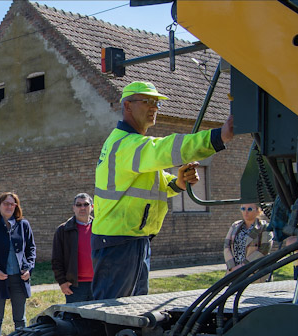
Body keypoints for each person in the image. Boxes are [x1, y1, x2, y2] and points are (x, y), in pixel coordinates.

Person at [92, 81, 234, 300]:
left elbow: (148, 184)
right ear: (127, 106)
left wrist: (177, 183)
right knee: (113, 314)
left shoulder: (128, 145)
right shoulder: (128, 145)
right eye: (147, 101)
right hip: (120, 242)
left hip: (129, 239)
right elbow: (167, 149)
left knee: (130, 310)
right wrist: (218, 136)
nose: (155, 107)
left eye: (157, 102)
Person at [0, 192, 36, 330]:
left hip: (19, 278)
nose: (9, 206)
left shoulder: (24, 225)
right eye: (6, 203)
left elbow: (31, 249)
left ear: (16, 206)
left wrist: (29, 268)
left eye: (12, 204)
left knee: (20, 319)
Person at [52, 193, 94, 303]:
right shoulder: (63, 230)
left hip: (98, 284)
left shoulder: (101, 229)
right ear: (73, 208)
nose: (82, 208)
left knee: (99, 320)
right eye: (79, 205)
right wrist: (62, 282)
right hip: (75, 286)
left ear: (92, 207)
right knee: (77, 319)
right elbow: (57, 259)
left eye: (86, 204)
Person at [223, 203, 273, 276]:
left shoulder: (264, 227)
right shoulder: (235, 225)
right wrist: (232, 267)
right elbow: (226, 245)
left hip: (255, 273)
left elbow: (264, 249)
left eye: (249, 209)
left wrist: (243, 266)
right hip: (233, 273)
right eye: (243, 209)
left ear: (258, 211)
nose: (246, 212)